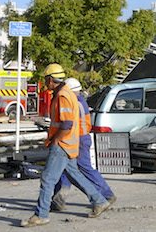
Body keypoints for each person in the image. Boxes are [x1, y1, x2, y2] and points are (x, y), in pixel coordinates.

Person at [21, 64, 111, 227]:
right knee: (74, 175)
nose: (45, 83)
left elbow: (67, 123)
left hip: (62, 144)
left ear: (50, 80)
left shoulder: (62, 95)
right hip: (69, 143)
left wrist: (55, 140)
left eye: (46, 80)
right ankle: (99, 201)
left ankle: (41, 214)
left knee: (47, 179)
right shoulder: (66, 93)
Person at [51, 78, 116, 211]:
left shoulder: (76, 103)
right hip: (77, 138)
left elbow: (68, 124)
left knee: (83, 167)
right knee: (65, 169)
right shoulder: (77, 100)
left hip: (79, 139)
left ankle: (106, 194)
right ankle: (59, 199)